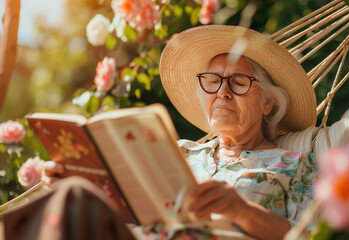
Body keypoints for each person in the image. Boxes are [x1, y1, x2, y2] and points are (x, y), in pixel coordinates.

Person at [16, 25, 319, 240]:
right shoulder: (180, 151)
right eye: (213, 81)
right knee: (71, 194)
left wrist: (241, 210)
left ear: (267, 102)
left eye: (239, 82)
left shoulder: (296, 164)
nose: (223, 92)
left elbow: (306, 236)